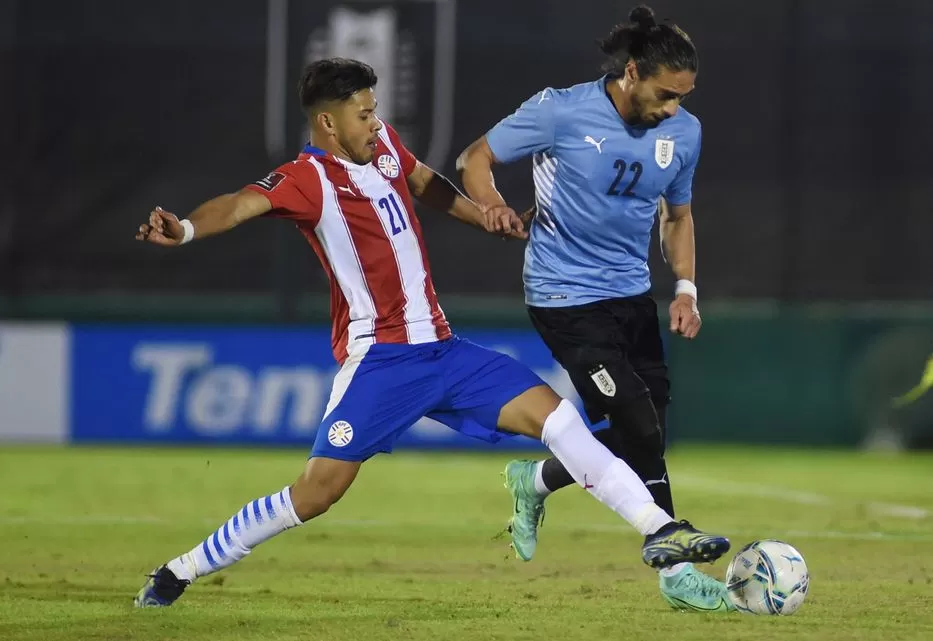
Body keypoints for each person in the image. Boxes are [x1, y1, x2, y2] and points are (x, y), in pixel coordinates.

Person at [132, 57, 729, 608]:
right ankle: (180, 569)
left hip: (445, 352)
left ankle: (660, 531)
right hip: (382, 362)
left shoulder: (385, 145)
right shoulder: (307, 179)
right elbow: (238, 205)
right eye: (362, 113)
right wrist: (183, 229)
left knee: (560, 421)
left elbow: (425, 182)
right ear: (327, 123)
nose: (375, 121)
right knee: (314, 495)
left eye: (374, 109)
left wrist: (486, 216)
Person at [457, 5, 732, 612]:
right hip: (563, 297)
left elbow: (678, 217)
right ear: (631, 72)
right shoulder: (560, 109)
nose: (671, 110)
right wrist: (493, 205)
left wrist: (685, 289)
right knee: (635, 417)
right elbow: (474, 159)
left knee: (645, 426)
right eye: (664, 95)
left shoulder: (684, 132)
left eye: (682, 98)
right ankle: (671, 558)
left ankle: (538, 479)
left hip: (630, 297)